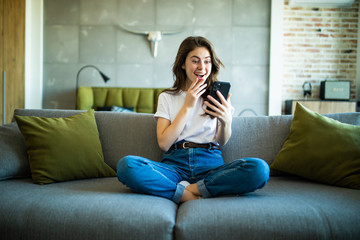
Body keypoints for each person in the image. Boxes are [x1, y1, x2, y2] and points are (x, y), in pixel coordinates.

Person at [117, 36, 269, 204]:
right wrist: (188, 106)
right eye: (195, 61)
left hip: (211, 164)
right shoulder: (167, 97)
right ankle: (192, 194)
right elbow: (164, 143)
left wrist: (226, 121)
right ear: (183, 63)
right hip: (174, 165)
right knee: (127, 166)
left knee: (259, 169)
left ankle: (190, 189)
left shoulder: (218, 96)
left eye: (207, 61)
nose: (202, 67)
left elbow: (222, 141)